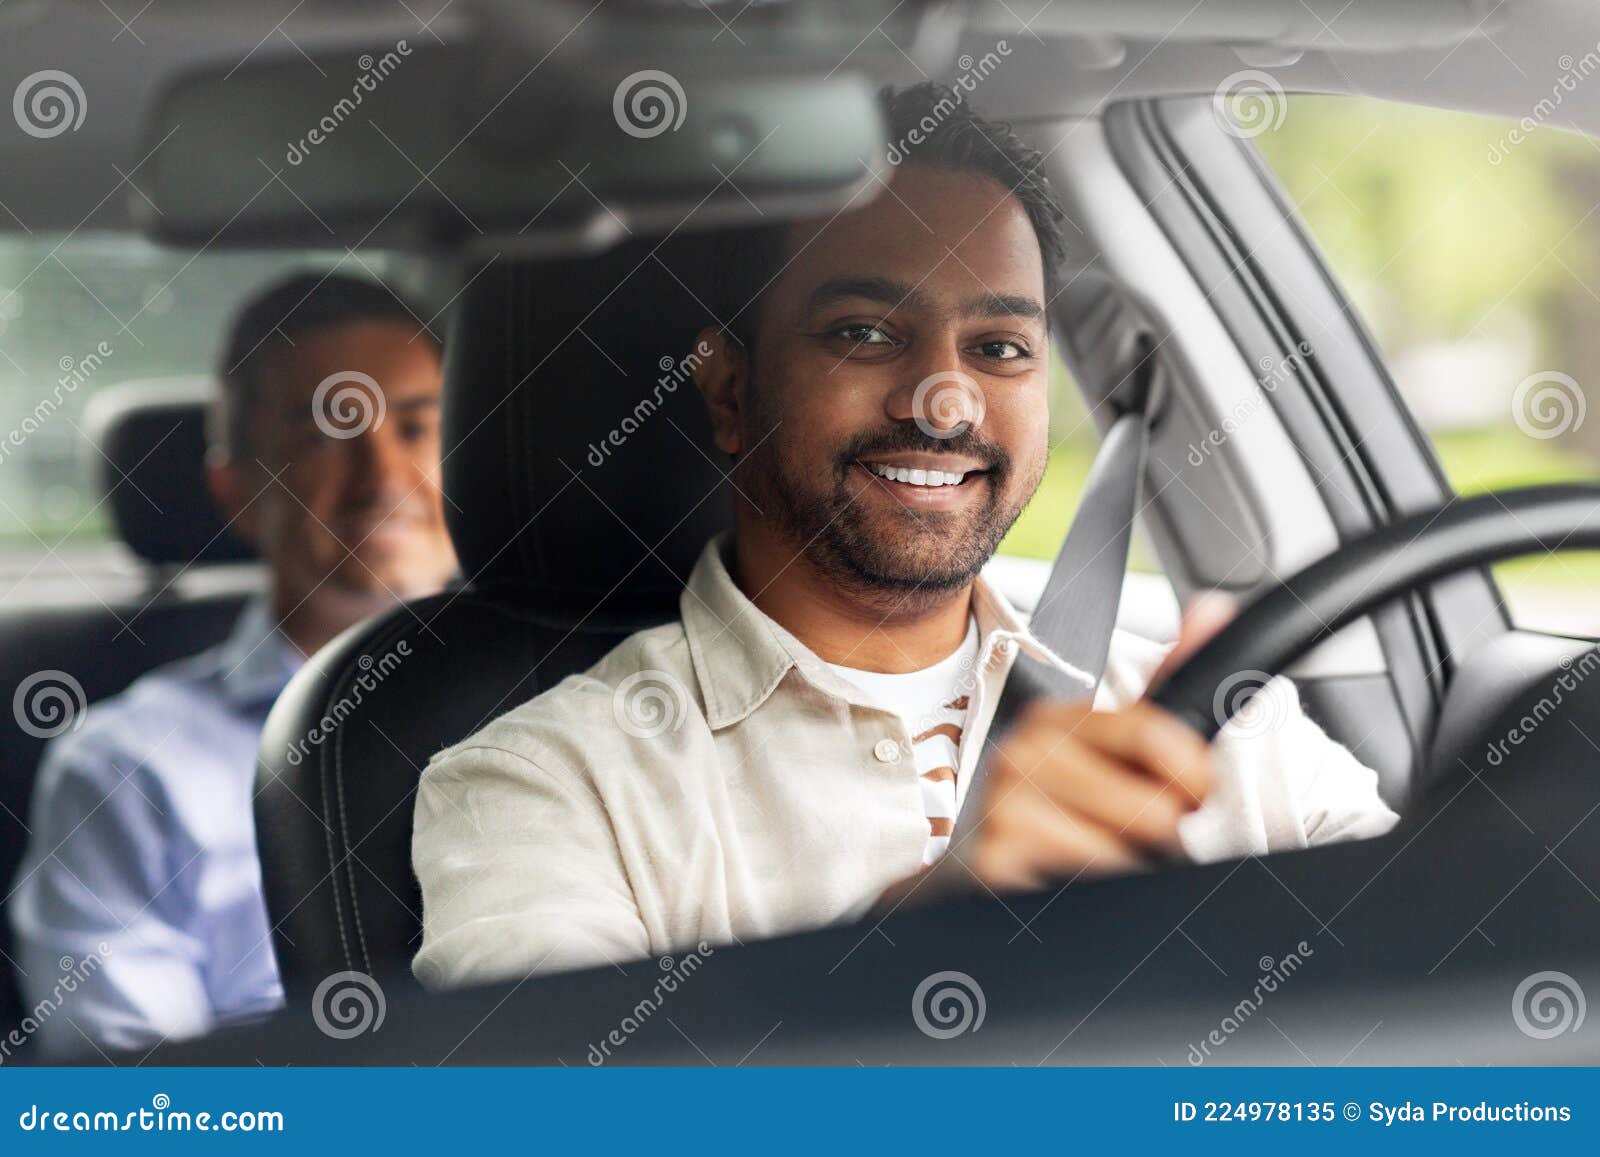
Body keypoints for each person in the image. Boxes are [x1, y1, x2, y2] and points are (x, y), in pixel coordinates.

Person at [410, 84, 1398, 989]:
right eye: (863, 332)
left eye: (1000, 347)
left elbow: (1435, 976)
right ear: (729, 390)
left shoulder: (1209, 706)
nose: (945, 399)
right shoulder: (542, 783)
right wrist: (918, 938)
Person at [9, 272, 459, 1054]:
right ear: (237, 488)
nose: (383, 476)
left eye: (417, 430)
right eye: (327, 432)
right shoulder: (124, 768)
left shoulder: (581, 701)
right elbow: (137, 1106)